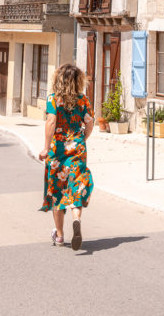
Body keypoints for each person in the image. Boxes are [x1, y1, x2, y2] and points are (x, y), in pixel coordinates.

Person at [39, 63, 94, 249]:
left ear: (58, 80)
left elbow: (51, 122)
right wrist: (82, 139)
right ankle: (76, 218)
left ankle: (60, 236)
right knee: (76, 186)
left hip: (57, 151)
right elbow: (90, 122)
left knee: (58, 192)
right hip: (77, 149)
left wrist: (46, 148)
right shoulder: (83, 100)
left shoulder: (53, 100)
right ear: (78, 80)